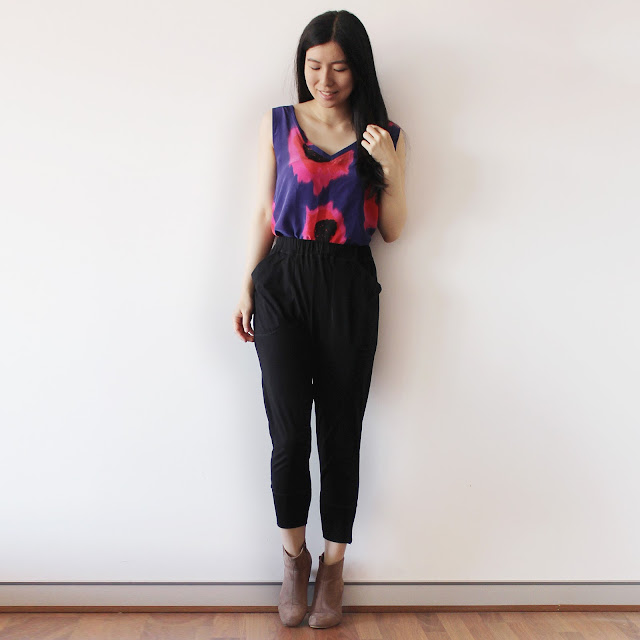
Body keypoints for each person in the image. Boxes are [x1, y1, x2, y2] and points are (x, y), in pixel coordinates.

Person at [232, 9, 407, 629]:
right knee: (287, 436)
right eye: (313, 66)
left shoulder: (382, 134)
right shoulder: (278, 123)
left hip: (349, 283)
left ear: (359, 70)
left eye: (338, 67)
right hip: (283, 278)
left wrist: (391, 166)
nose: (325, 80)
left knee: (340, 432)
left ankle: (334, 566)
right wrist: (247, 283)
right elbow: (264, 210)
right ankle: (293, 559)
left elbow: (392, 229)